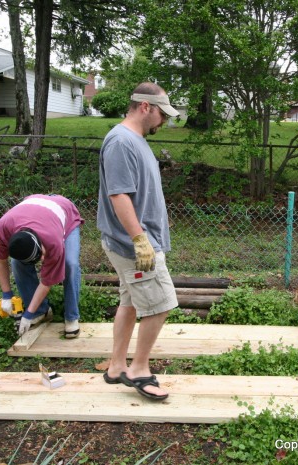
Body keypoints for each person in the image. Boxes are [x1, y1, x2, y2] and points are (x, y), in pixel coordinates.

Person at [97, 82, 180, 401]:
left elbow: (140, 192)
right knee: (160, 304)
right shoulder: (120, 142)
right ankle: (139, 369)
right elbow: (118, 195)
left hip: (137, 239)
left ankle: (117, 366)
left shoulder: (136, 140)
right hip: (135, 246)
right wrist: (141, 240)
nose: (165, 121)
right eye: (162, 114)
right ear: (146, 107)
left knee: (130, 301)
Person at [0, 194, 84, 338]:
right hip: (31, 209)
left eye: (41, 254)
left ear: (41, 243)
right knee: (16, 262)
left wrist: (27, 315)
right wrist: (7, 295)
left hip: (64, 212)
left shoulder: (53, 241)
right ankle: (41, 312)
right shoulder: (3, 229)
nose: (43, 259)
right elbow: (0, 261)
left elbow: (46, 283)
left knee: (70, 264)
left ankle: (71, 317)